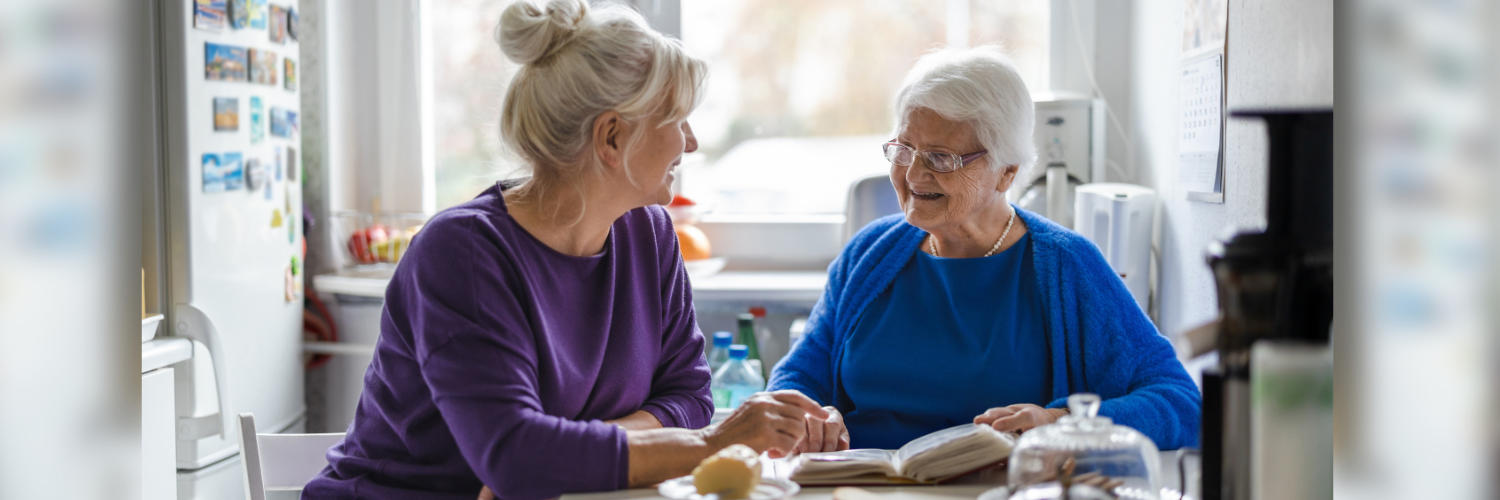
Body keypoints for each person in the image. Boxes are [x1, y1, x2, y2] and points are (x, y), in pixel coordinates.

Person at [303, 1, 826, 498]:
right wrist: (712, 444)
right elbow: (514, 456)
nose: (690, 142)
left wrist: (558, 455)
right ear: (612, 138)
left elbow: (688, 397)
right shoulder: (463, 253)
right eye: (676, 119)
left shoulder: (650, 235)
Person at [768, 46, 1201, 452]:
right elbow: (797, 377)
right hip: (862, 487)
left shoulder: (1067, 265)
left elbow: (1181, 402)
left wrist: (1061, 424)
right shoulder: (869, 253)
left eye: (940, 157)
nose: (914, 174)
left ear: (1005, 172)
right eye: (904, 150)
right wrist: (810, 416)